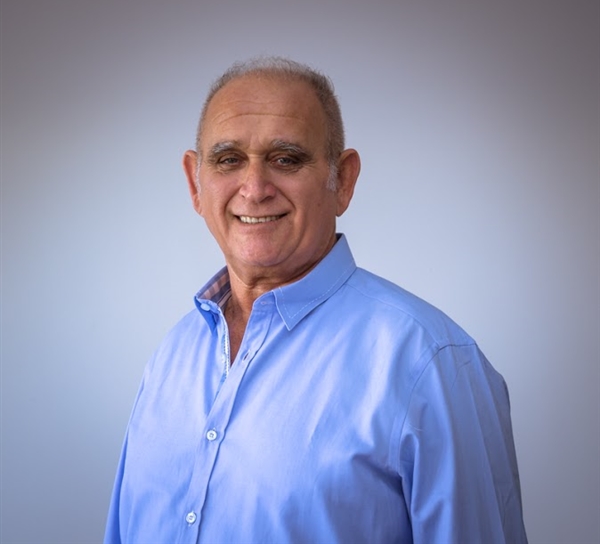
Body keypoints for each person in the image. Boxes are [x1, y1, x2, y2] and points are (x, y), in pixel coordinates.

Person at [104, 57, 528, 544]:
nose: (255, 189)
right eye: (228, 159)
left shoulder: (429, 364)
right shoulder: (173, 356)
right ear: (194, 182)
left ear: (342, 180)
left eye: (286, 159)